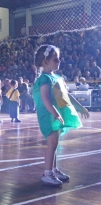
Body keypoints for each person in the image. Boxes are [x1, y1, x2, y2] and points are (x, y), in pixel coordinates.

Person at [33, 45, 89, 186]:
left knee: (55, 144)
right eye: (55, 59)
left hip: (56, 115)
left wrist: (80, 107)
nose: (59, 61)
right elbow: (45, 98)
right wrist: (55, 112)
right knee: (52, 143)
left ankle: (53, 169)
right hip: (49, 115)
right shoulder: (44, 79)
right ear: (45, 62)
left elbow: (67, 95)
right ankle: (47, 173)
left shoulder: (57, 77)